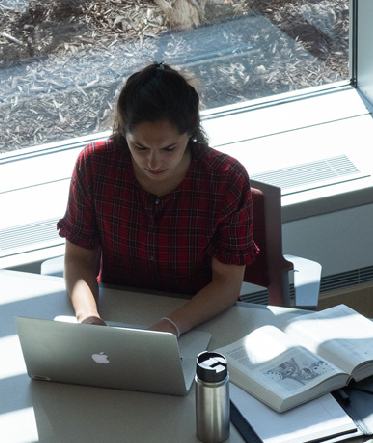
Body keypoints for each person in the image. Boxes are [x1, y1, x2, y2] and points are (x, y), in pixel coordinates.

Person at [57, 61, 258, 336]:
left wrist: (171, 326)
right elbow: (78, 258)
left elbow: (227, 283)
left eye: (169, 148)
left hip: (201, 321)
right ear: (122, 133)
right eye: (139, 146)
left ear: (191, 134)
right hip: (118, 312)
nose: (153, 162)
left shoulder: (226, 180)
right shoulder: (94, 166)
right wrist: (88, 316)